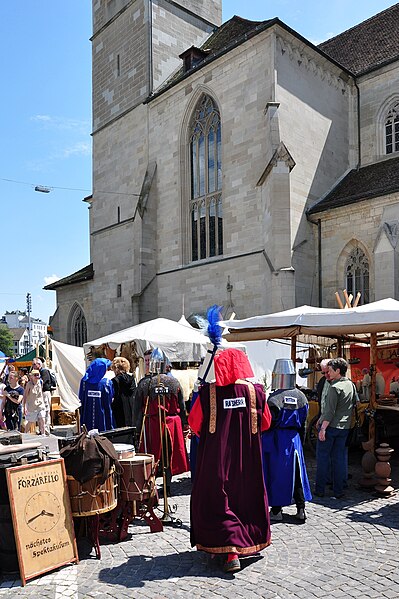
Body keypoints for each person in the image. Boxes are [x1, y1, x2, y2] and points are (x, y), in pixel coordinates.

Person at [189, 348, 272, 574]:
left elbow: (195, 424)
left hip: (217, 459)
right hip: (247, 462)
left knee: (218, 499)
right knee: (244, 498)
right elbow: (265, 423)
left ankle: (226, 549)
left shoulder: (209, 393)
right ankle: (240, 546)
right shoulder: (255, 392)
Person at [262, 359, 312, 523]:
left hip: (278, 441)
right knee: (297, 474)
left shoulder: (274, 399)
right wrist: (301, 442)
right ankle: (301, 509)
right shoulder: (302, 397)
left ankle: (276, 511)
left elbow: (268, 423)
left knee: (277, 474)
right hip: (295, 439)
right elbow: (304, 422)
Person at [136, 355, 189, 496]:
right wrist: (184, 425)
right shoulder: (174, 382)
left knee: (153, 455)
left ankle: (153, 486)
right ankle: (167, 485)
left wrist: (137, 430)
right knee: (169, 455)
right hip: (171, 424)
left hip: (153, 424)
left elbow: (138, 409)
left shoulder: (145, 383)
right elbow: (182, 407)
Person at [315, 358, 356, 499]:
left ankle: (320, 489)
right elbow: (354, 402)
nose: (328, 373)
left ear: (338, 371)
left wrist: (322, 428)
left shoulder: (334, 387)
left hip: (331, 427)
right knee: (338, 460)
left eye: (330, 370)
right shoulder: (351, 384)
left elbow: (329, 411)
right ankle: (338, 491)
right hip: (344, 428)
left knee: (322, 458)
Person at [78, 358, 115, 432]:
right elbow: (110, 399)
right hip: (103, 417)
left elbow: (81, 396)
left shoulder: (84, 381)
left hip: (87, 415)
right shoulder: (107, 383)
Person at [111, 356, 137, 428]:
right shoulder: (132, 379)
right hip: (132, 410)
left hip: (119, 412)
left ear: (115, 368)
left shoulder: (114, 381)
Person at [32, 357, 52, 435]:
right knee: (40, 412)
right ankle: (42, 429)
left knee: (46, 411)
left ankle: (46, 430)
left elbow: (42, 382)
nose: (33, 366)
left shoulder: (44, 372)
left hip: (44, 393)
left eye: (34, 364)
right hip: (40, 394)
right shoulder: (37, 372)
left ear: (39, 364)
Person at [23, 370, 46, 435]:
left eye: (38, 375)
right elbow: (25, 396)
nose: (37, 376)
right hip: (32, 406)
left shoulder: (41, 382)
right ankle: (25, 434)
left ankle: (43, 434)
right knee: (30, 421)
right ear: (31, 376)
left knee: (42, 419)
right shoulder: (29, 385)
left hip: (40, 404)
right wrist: (24, 406)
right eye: (35, 375)